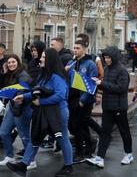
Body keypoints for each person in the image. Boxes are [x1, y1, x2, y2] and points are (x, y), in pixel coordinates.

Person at [7, 49, 73, 177]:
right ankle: (23, 166)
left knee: (63, 138)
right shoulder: (44, 75)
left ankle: (68, 166)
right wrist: (24, 97)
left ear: (50, 60)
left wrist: (41, 102)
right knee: (36, 137)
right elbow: (35, 91)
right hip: (45, 113)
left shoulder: (57, 77)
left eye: (43, 57)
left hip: (58, 113)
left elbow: (61, 95)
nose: (40, 59)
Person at [86, 46, 133, 168]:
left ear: (114, 57)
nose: (106, 60)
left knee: (124, 131)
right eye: (105, 57)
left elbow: (121, 88)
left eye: (108, 57)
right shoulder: (106, 69)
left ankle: (128, 154)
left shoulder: (122, 70)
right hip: (107, 106)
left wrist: (102, 83)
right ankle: (99, 157)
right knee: (105, 132)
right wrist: (98, 83)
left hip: (118, 107)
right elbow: (106, 86)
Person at [0, 55, 34, 168]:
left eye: (13, 62)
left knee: (24, 135)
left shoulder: (23, 75)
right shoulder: (9, 74)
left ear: (18, 62)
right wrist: (4, 73)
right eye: (8, 62)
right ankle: (10, 156)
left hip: (22, 107)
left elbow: (22, 93)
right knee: (3, 132)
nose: (11, 64)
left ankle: (31, 161)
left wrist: (17, 111)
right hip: (12, 106)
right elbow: (4, 89)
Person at [66, 40, 98, 163]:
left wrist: (83, 100)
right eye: (74, 48)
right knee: (72, 125)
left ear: (84, 49)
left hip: (83, 100)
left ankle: (80, 151)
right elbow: (66, 80)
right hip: (71, 98)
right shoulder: (71, 63)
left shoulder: (90, 64)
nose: (75, 50)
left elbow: (91, 84)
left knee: (79, 125)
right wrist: (65, 71)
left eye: (78, 48)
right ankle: (89, 142)